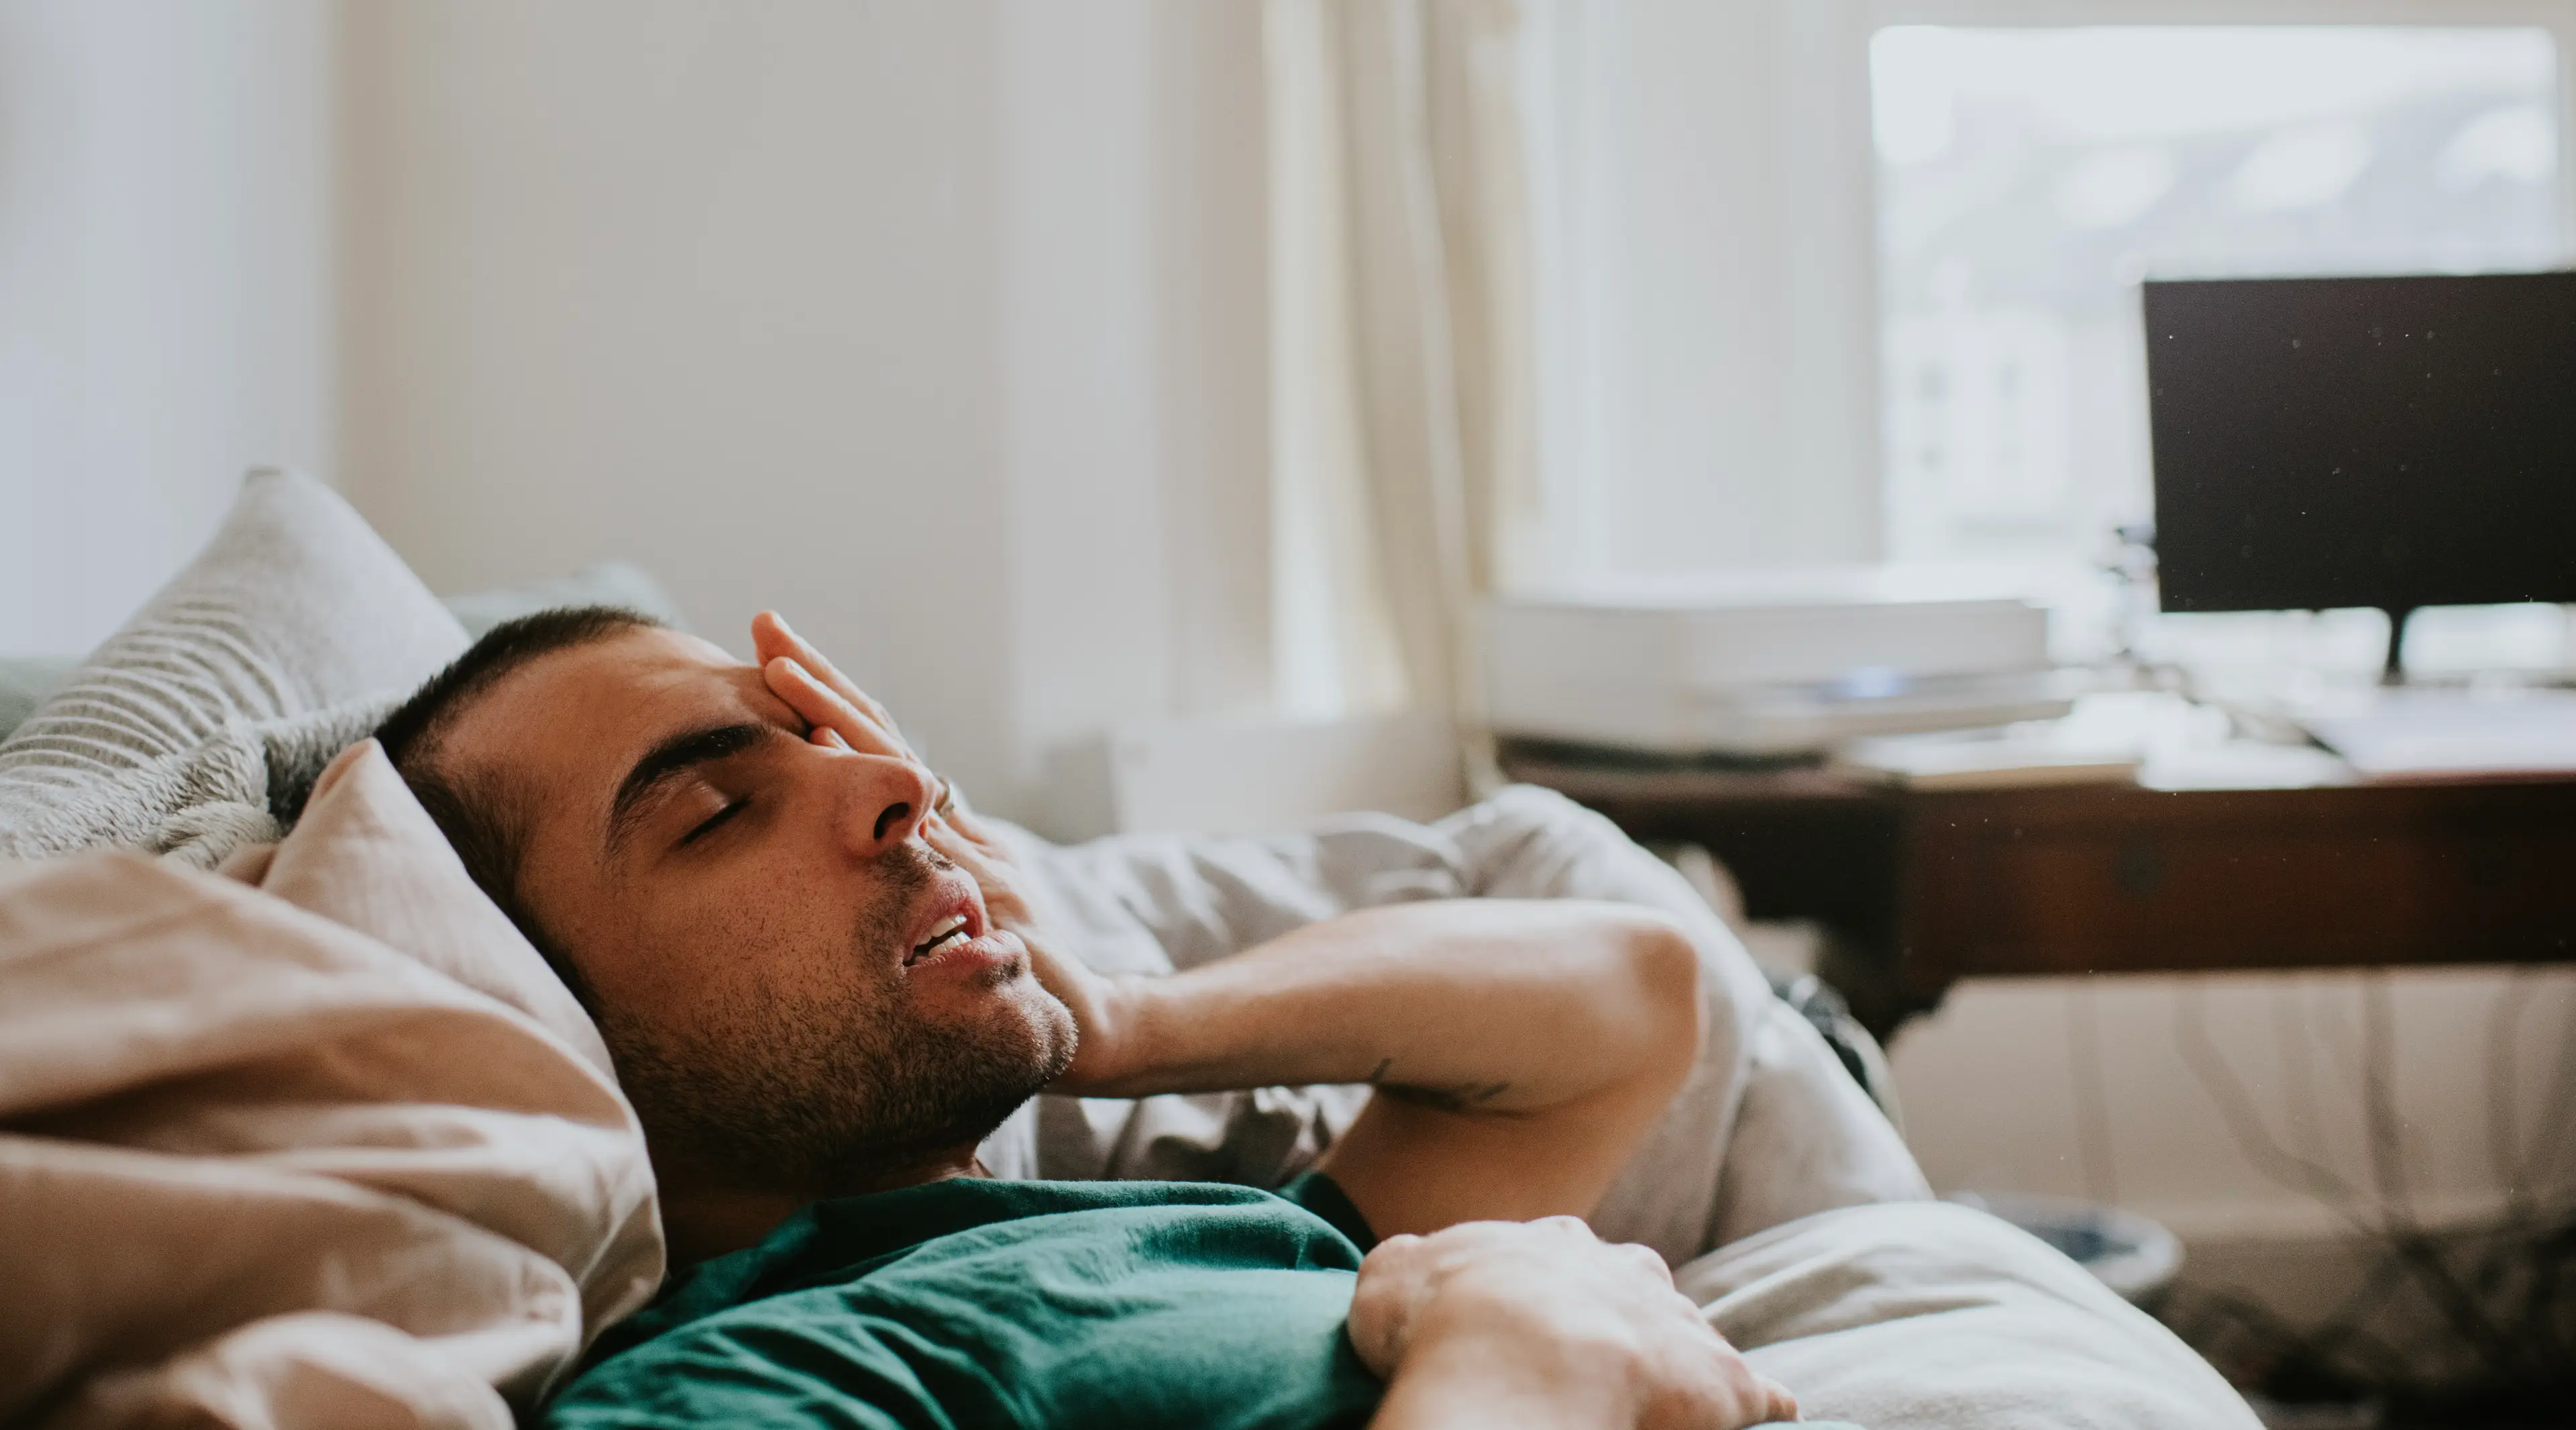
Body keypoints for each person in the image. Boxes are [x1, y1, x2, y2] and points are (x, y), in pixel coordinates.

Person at [374, 606, 1806, 1430]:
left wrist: (1130, 1020)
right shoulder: (749, 1380)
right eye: (719, 812)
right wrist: (1523, 1364)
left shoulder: (1181, 1246)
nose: (895, 786)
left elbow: (1630, 1001)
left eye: (840, 742)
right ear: (544, 1014)